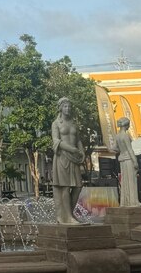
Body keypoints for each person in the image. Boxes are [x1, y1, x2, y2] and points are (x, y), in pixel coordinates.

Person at [51, 96, 84, 224]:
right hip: (62, 157)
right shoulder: (56, 124)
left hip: (74, 158)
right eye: (65, 106)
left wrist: (82, 151)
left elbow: (79, 140)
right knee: (65, 187)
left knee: (78, 186)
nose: (68, 108)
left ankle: (68, 213)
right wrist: (72, 149)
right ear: (60, 108)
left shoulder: (74, 123)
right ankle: (68, 216)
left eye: (69, 106)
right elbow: (56, 141)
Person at [112, 117, 140, 207]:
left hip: (122, 160)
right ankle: (133, 202)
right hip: (128, 159)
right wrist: (135, 161)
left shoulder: (117, 136)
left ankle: (125, 202)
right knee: (131, 181)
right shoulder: (125, 135)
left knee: (124, 182)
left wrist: (120, 150)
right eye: (129, 124)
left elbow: (114, 148)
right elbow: (130, 149)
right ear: (126, 125)